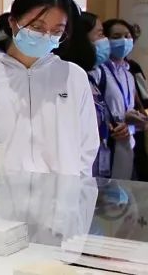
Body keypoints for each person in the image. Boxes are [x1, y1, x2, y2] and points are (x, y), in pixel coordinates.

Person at [0, 0, 99, 175]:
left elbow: (87, 147)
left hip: (62, 192)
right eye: (37, 27)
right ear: (13, 22)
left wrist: (75, 189)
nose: (46, 36)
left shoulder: (73, 77)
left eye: (57, 31)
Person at [56, 12, 112, 177]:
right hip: (73, 172)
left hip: (94, 165)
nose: (105, 40)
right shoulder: (68, 78)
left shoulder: (88, 77)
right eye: (100, 34)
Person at [96, 19, 148, 180]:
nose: (124, 41)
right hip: (107, 143)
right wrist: (119, 120)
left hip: (128, 144)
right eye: (116, 36)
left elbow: (138, 107)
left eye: (127, 36)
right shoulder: (99, 71)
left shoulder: (128, 73)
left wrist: (141, 122)